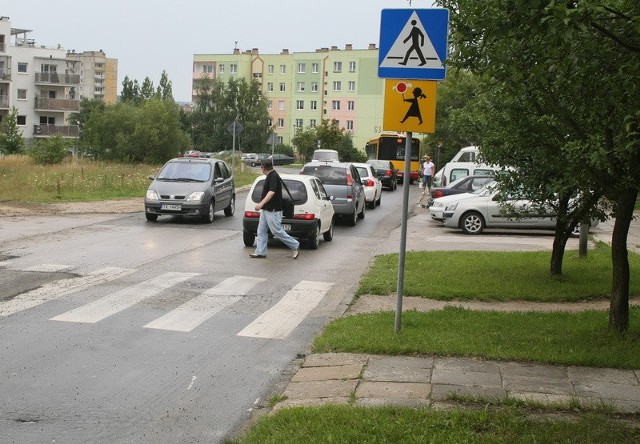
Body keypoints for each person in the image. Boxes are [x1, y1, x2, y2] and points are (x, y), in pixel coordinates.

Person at [250, 158, 300, 259]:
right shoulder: (270, 175)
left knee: (276, 231)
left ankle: (295, 245)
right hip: (266, 210)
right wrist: (263, 206)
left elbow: (271, 192)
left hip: (273, 210)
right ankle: (260, 252)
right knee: (261, 231)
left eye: (261, 167)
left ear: (263, 168)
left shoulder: (273, 176)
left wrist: (260, 204)